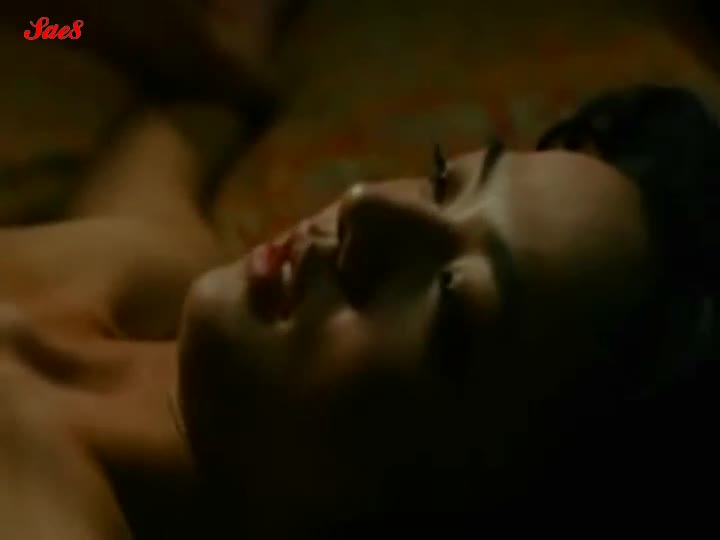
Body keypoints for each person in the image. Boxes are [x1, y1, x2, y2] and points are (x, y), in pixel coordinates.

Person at [0, 84, 717, 538]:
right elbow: (186, 97)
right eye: (441, 181)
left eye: (450, 296)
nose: (364, 205)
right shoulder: (151, 267)